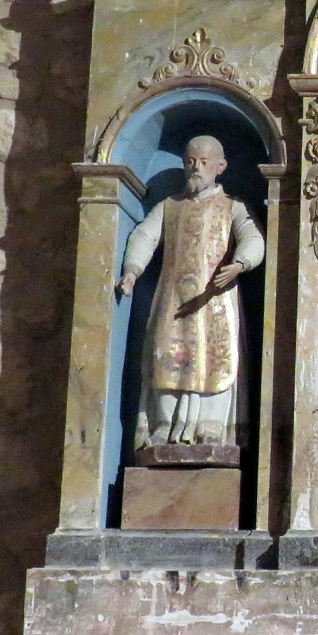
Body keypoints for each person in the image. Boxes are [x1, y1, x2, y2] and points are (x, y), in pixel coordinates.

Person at [117, 135, 264, 451]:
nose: (196, 168)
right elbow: (144, 236)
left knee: (216, 359)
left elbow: (253, 236)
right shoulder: (169, 206)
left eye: (204, 162)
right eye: (190, 161)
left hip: (215, 300)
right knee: (165, 357)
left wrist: (240, 264)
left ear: (220, 166)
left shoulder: (233, 207)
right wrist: (132, 270)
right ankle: (164, 426)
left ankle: (211, 427)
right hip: (172, 301)